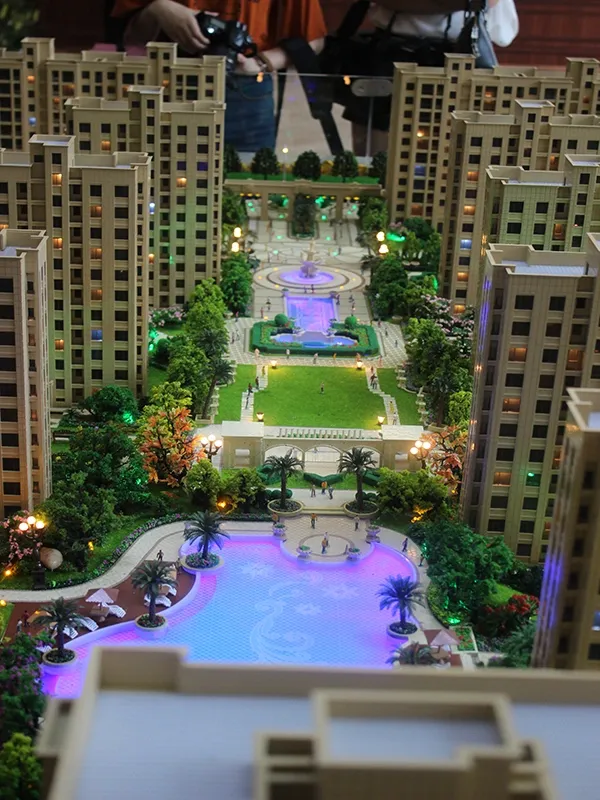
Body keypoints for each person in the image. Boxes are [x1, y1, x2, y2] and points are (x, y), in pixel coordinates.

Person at [347, 0, 519, 155]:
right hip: (391, 50)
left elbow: (486, 2)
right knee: (377, 157)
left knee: (455, 149)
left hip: (461, 51)